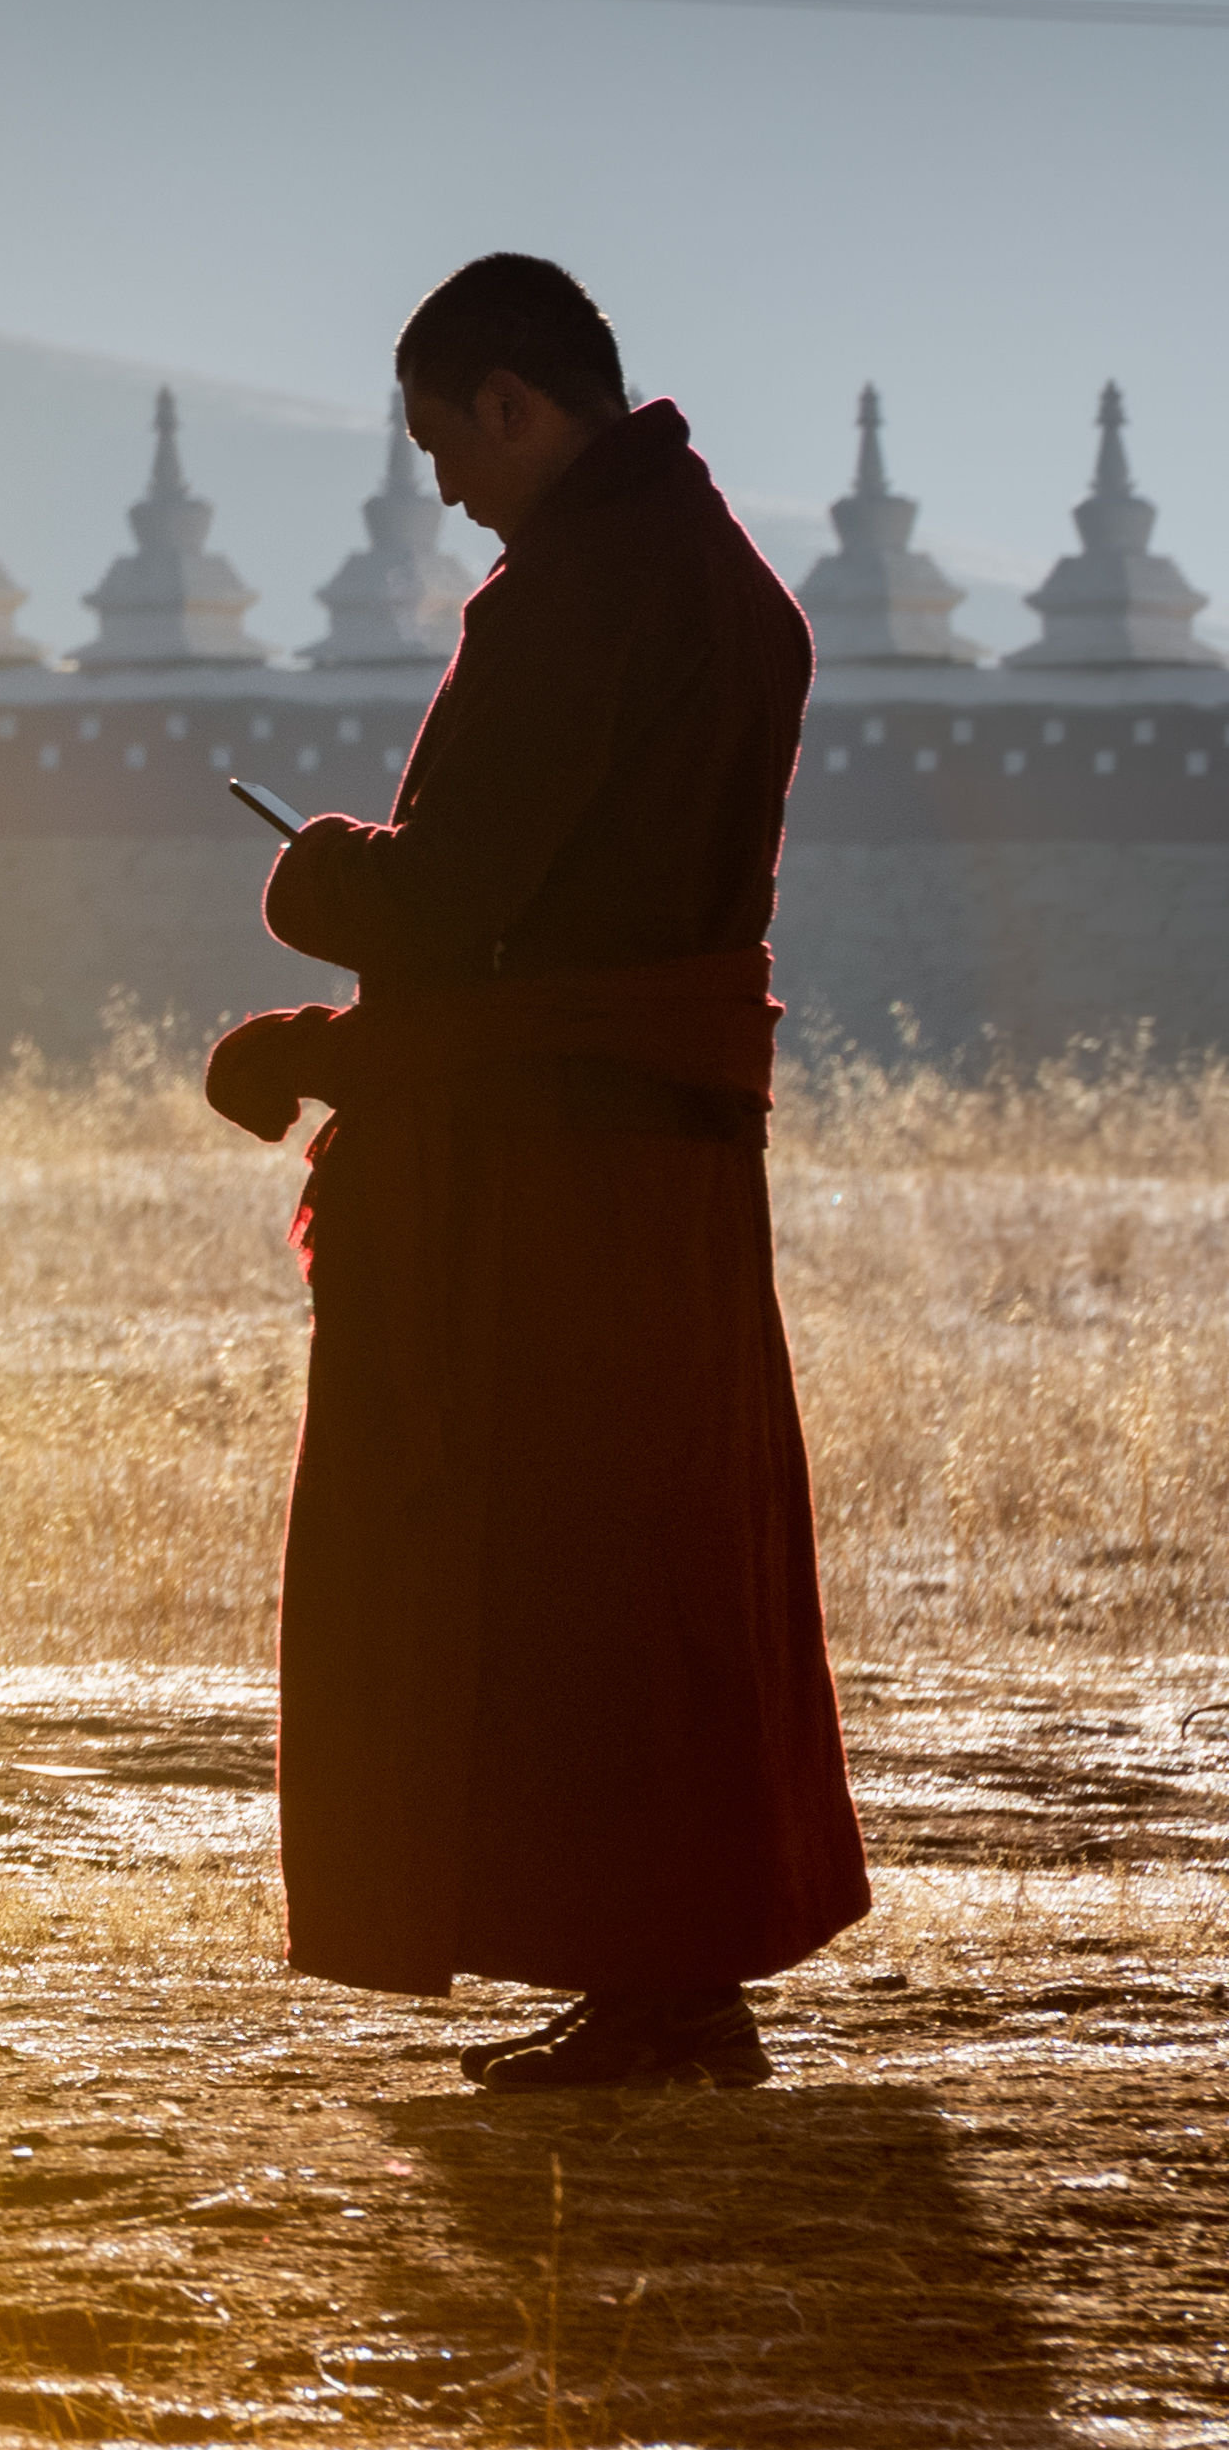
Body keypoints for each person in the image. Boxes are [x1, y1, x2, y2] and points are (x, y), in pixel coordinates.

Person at [202, 253, 868, 2087]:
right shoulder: (737, 591)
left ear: (514, 399)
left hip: (544, 1182)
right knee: (659, 1562)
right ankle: (665, 1970)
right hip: (665, 1163)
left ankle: (657, 1981)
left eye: (444, 442)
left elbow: (465, 910)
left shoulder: (577, 595)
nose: (445, 492)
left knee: (556, 1566)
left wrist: (313, 872)